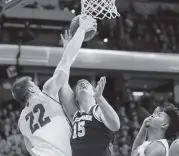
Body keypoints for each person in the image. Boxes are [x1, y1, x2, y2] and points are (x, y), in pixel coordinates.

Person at [11, 15, 97, 156]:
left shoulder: (21, 122)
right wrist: (81, 29)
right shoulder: (46, 93)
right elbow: (66, 62)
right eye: (34, 84)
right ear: (32, 88)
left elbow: (30, 149)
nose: (37, 86)